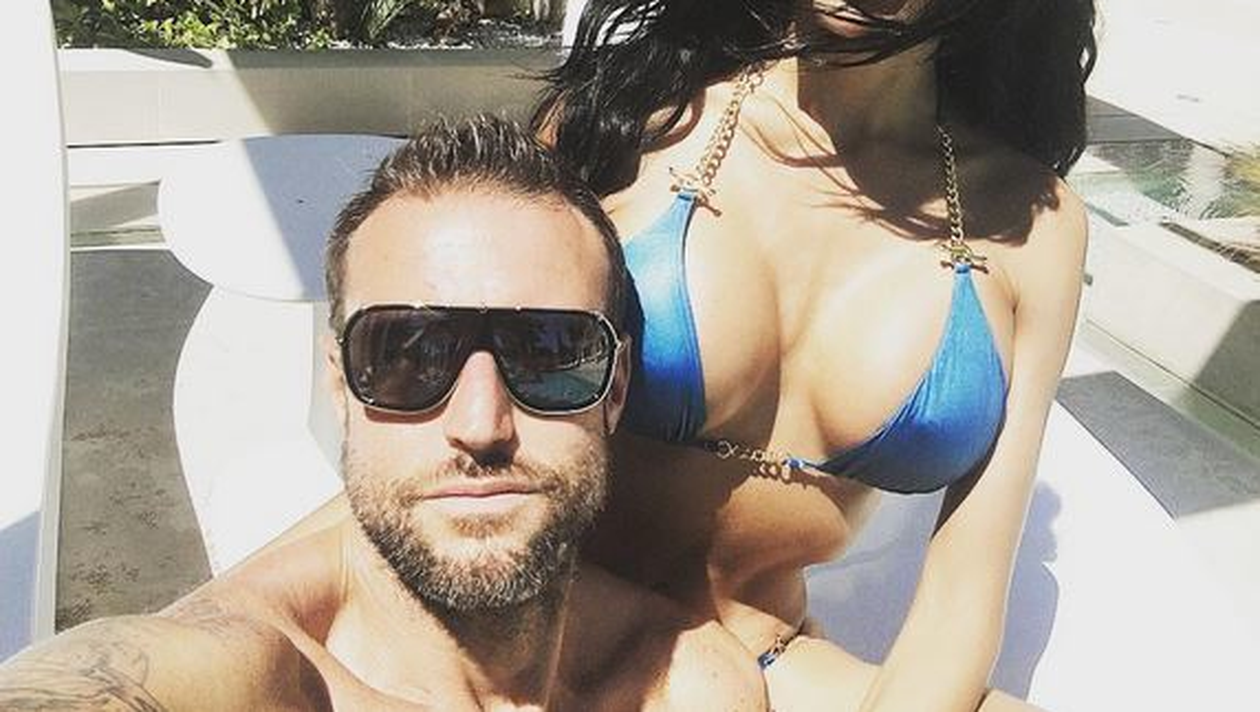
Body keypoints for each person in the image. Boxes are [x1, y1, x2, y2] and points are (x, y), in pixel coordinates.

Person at [0, 116, 764, 711]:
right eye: (406, 355)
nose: (480, 424)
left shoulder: (688, 684)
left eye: (549, 351)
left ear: (615, 387)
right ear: (341, 387)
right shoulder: (259, 675)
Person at [531, 0, 1095, 710]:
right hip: (550, 628)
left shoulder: (1034, 224)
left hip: (769, 659)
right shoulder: (621, 125)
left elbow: (960, 600)